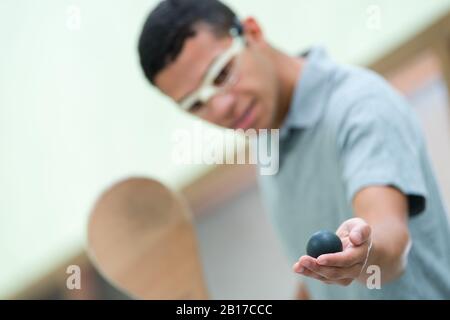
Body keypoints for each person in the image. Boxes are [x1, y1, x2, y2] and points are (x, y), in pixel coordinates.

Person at [137, 0, 450, 299]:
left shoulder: (361, 108)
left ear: (253, 33)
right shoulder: (266, 135)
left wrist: (363, 253)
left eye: (221, 73)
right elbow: (320, 281)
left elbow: (392, 243)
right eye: (196, 104)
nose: (221, 108)